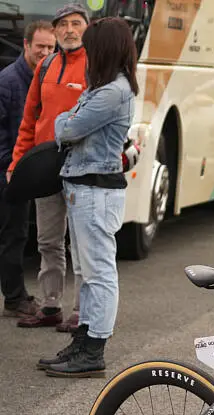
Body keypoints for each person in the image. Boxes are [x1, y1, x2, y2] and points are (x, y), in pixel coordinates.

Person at [39, 17, 137, 378]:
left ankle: (94, 348)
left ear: (104, 50)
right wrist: (66, 121)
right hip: (84, 188)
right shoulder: (103, 87)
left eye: (91, 47)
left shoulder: (112, 92)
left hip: (96, 191)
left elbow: (67, 127)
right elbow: (67, 122)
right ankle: (83, 340)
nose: (86, 53)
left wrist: (65, 121)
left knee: (99, 273)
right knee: (87, 271)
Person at [8, 3, 88, 332]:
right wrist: (17, 162)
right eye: (63, 25)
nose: (69, 30)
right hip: (45, 167)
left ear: (86, 28)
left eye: (76, 23)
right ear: (55, 31)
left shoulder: (95, 65)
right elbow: (29, 120)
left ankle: (82, 312)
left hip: (81, 168)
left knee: (81, 244)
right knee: (48, 241)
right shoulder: (45, 66)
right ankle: (51, 305)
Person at [0, 21, 55, 318]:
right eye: (39, 47)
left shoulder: (47, 78)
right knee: (14, 235)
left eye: (50, 47)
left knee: (19, 235)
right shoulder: (8, 81)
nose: (45, 53)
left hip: (26, 171)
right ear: (25, 45)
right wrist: (12, 166)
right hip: (9, 172)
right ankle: (14, 299)